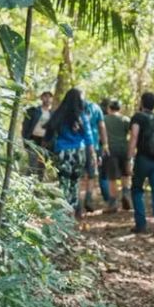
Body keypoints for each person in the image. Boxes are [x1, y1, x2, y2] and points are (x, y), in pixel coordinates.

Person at [44, 88, 96, 219]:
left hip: (62, 152)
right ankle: (72, 212)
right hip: (79, 153)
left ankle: (64, 214)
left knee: (63, 182)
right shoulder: (82, 116)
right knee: (75, 183)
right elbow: (89, 138)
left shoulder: (59, 115)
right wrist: (93, 155)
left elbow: (49, 133)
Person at [126, 92, 154, 236]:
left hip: (143, 159)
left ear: (142, 102)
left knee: (137, 189)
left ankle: (141, 224)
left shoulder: (138, 117)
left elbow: (134, 137)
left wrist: (129, 159)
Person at [103, 99, 132, 212]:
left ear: (109, 108)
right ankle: (126, 194)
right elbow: (131, 133)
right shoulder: (125, 119)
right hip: (124, 149)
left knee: (112, 178)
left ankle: (113, 203)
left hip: (111, 150)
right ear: (120, 108)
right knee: (125, 174)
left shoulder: (104, 119)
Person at [81, 98, 109, 212]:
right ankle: (88, 199)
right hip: (93, 145)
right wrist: (105, 144)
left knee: (79, 175)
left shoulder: (76, 107)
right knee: (91, 174)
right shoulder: (96, 108)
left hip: (78, 144)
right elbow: (102, 127)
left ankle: (77, 202)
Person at [22, 91, 53, 179]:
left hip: (45, 142)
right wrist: (25, 140)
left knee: (42, 165)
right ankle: (27, 183)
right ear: (41, 98)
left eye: (50, 97)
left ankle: (38, 184)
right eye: (45, 96)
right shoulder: (33, 111)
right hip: (33, 139)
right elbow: (25, 126)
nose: (47, 99)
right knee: (32, 163)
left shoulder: (53, 114)